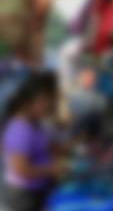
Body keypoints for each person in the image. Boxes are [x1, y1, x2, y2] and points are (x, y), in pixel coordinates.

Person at [1, 73, 65, 211]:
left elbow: (45, 145)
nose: (46, 106)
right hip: (25, 196)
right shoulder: (20, 129)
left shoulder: (34, 123)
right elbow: (20, 169)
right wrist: (52, 169)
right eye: (41, 103)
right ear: (27, 103)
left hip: (40, 189)